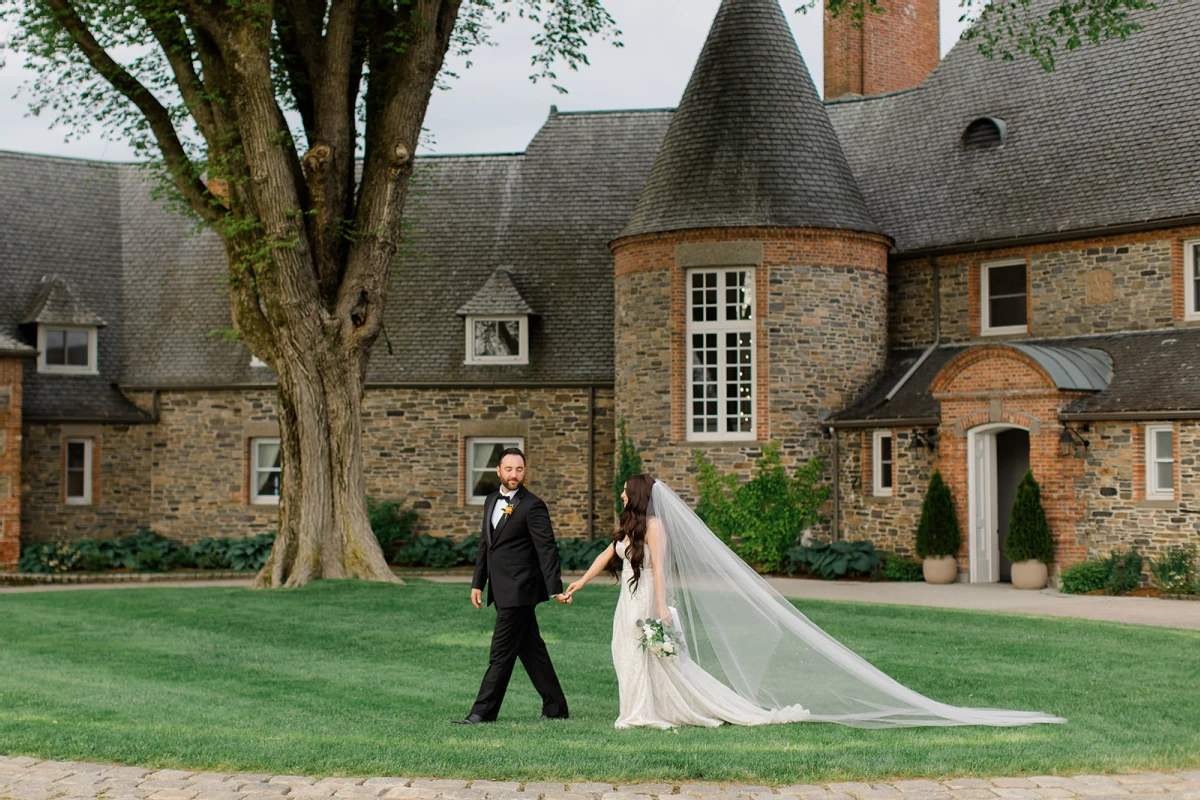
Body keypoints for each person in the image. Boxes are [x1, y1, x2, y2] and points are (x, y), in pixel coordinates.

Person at [566, 473, 1067, 730]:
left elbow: (662, 573)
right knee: (625, 659)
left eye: (625, 491)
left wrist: (661, 611)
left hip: (646, 606)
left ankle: (651, 712)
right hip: (624, 607)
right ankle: (636, 708)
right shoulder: (626, 528)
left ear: (635, 495)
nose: (624, 495)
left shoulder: (654, 526)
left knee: (655, 660)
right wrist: (578, 585)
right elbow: (603, 558)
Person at [453, 447, 571, 725]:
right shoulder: (491, 500)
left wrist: (555, 588)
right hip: (500, 588)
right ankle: (556, 707)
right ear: (498, 471)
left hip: (520, 590)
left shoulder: (533, 505)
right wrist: (477, 583)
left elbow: (547, 549)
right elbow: (486, 544)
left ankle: (482, 712)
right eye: (509, 469)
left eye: (519, 469)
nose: (514, 474)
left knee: (500, 653)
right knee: (532, 650)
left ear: (525, 471)